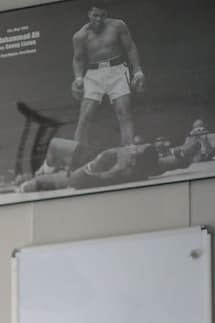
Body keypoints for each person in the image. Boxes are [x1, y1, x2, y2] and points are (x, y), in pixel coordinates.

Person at [71, 5, 145, 148]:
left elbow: (130, 48)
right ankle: (74, 154)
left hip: (117, 70)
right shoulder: (80, 36)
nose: (99, 19)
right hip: (93, 74)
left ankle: (129, 150)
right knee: (85, 115)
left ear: (106, 14)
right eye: (95, 15)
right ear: (89, 14)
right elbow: (78, 59)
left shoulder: (118, 26)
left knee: (124, 111)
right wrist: (78, 78)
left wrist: (138, 70)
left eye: (102, 16)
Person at [18, 139, 160, 192]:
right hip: (91, 160)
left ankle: (43, 173)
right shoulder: (142, 169)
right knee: (29, 184)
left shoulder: (122, 167)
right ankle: (43, 173)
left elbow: (78, 179)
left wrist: (108, 160)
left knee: (54, 145)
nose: (134, 146)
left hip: (86, 165)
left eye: (137, 148)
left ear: (134, 161)